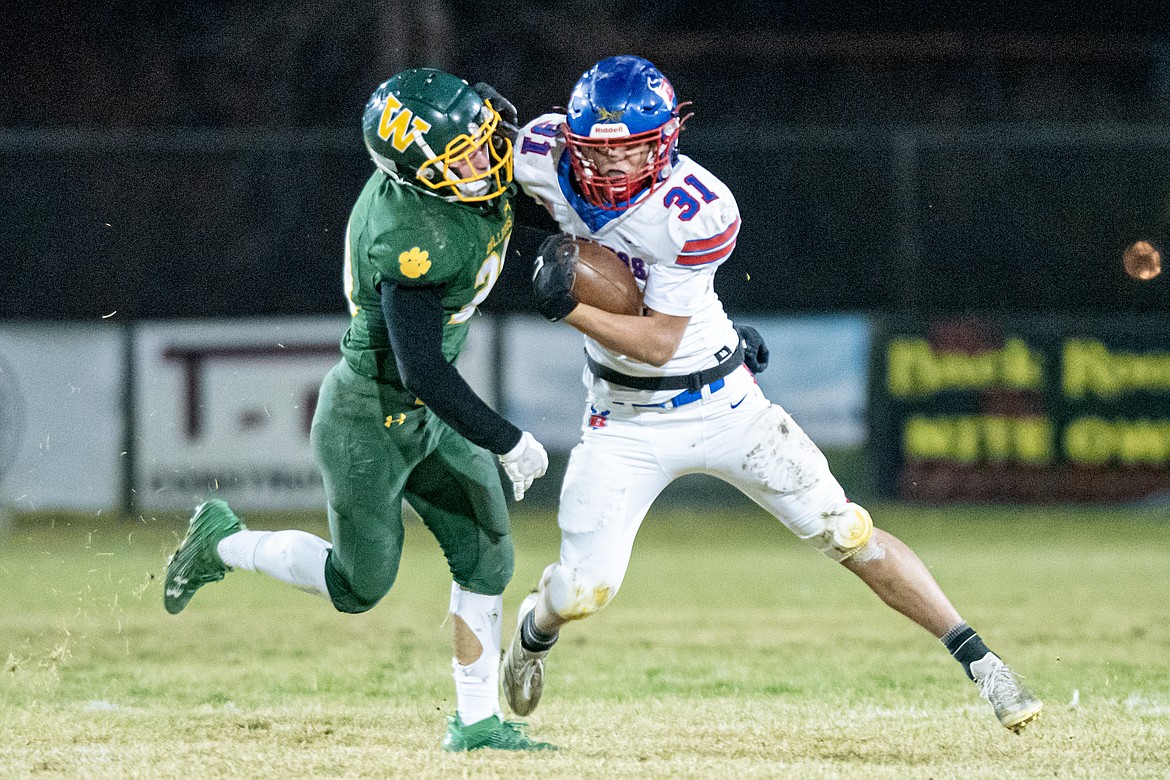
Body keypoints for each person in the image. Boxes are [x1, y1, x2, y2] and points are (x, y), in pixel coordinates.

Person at [501, 55, 1043, 734]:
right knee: (583, 590)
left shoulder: (694, 209)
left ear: (663, 141)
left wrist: (566, 307)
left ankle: (982, 662)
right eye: (596, 151)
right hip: (623, 417)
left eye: (629, 149)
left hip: (725, 404)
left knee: (848, 530)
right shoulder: (539, 152)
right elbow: (486, 187)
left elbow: (661, 340)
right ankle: (532, 630)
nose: (609, 166)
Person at [162, 68, 554, 752]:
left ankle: (476, 722)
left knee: (488, 552)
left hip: (428, 410)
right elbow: (422, 369)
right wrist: (507, 439)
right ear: (418, 175)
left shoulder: (461, 164)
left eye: (480, 139)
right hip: (369, 418)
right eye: (459, 155)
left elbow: (524, 159)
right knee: (358, 584)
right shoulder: (408, 235)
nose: (482, 158)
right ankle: (221, 541)